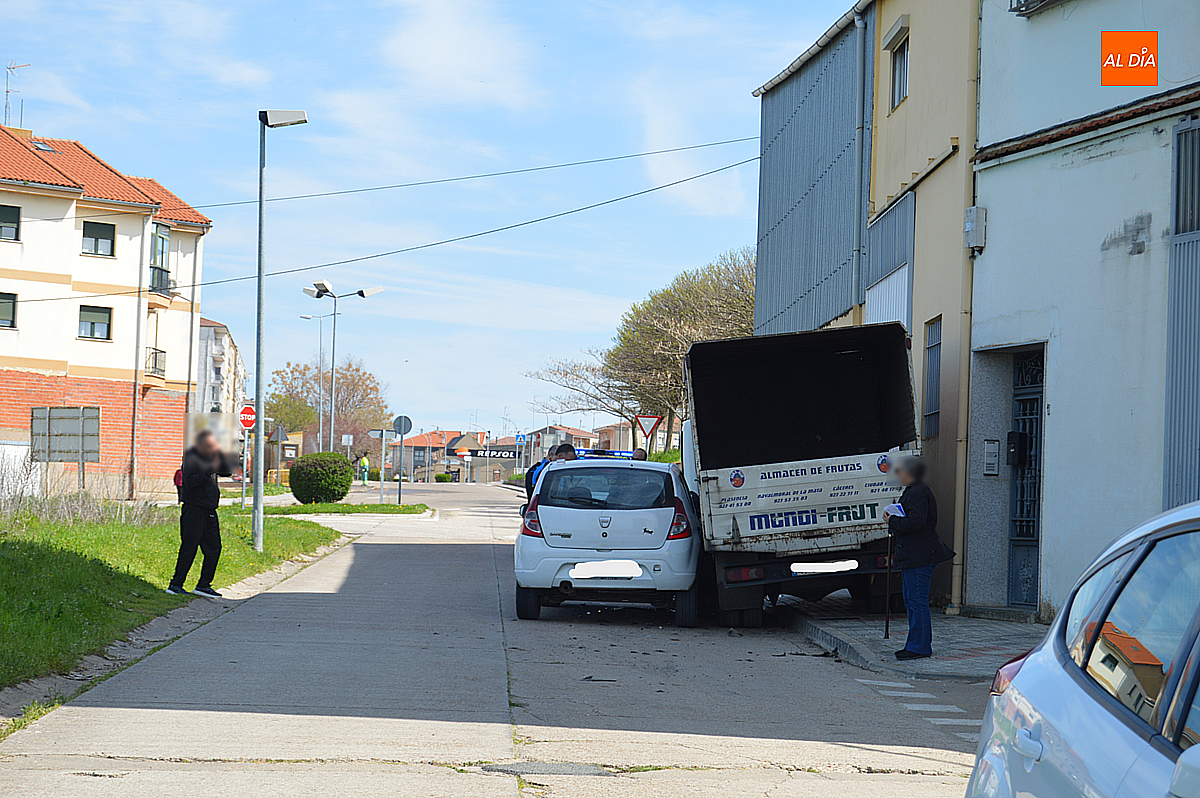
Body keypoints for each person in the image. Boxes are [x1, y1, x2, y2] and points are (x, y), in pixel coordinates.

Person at [883, 457, 954, 660]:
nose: (899, 475)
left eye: (901, 471)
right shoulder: (913, 491)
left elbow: (917, 521)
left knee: (917, 601)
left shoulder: (918, 492)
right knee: (911, 600)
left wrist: (893, 520)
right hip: (914, 555)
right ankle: (915, 644)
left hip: (919, 556)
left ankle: (920, 647)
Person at [168, 430, 232, 598]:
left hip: (209, 510)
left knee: (214, 549)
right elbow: (190, 483)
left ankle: (203, 585)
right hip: (194, 510)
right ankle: (175, 584)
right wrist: (209, 468)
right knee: (189, 547)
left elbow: (227, 472)